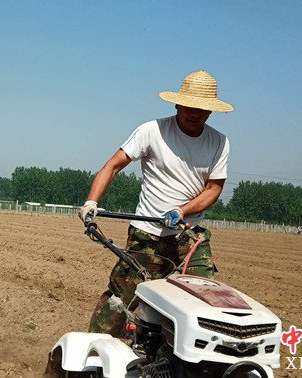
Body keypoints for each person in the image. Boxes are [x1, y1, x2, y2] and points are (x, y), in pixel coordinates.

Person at [79, 70, 233, 337]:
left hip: (189, 235)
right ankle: (92, 354)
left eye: (203, 108)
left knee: (202, 299)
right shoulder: (152, 131)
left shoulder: (218, 142)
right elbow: (113, 166)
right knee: (122, 297)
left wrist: (182, 211)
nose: (196, 113)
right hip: (147, 234)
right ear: (177, 103)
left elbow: (213, 188)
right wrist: (92, 202)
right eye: (190, 106)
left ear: (211, 112)